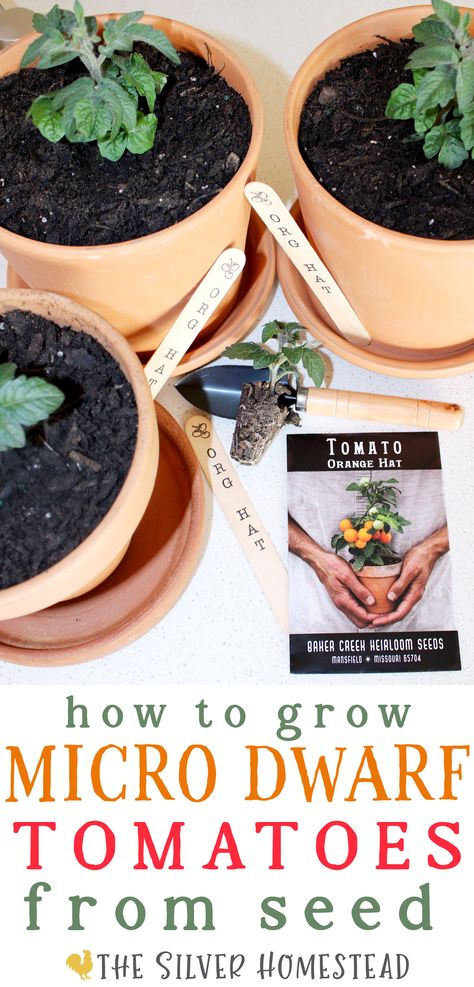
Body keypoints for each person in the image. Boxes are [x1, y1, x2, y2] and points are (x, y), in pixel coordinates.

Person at [287, 469, 454, 633]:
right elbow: (261, 497)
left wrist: (432, 548)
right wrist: (314, 556)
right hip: (317, 615)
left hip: (426, 615)